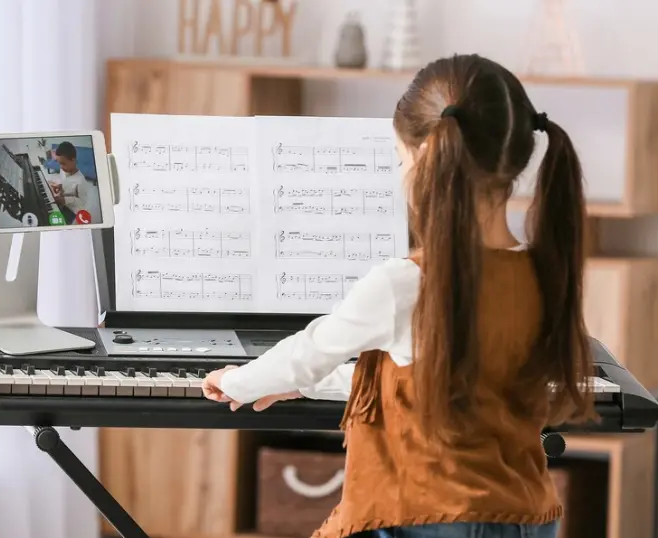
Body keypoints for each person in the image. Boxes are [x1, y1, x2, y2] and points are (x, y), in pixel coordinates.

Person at [201, 53, 597, 538]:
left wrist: (239, 381)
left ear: (427, 156)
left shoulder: (405, 283)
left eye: (399, 159)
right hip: (527, 518)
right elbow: (431, 383)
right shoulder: (544, 272)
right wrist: (308, 386)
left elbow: (306, 354)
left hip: (428, 519)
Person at [49, 141, 101, 224]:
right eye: (59, 164)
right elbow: (65, 182)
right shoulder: (63, 170)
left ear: (73, 160)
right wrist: (60, 186)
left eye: (63, 164)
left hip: (72, 211)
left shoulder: (81, 181)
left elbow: (82, 201)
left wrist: (65, 200)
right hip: (63, 204)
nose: (61, 167)